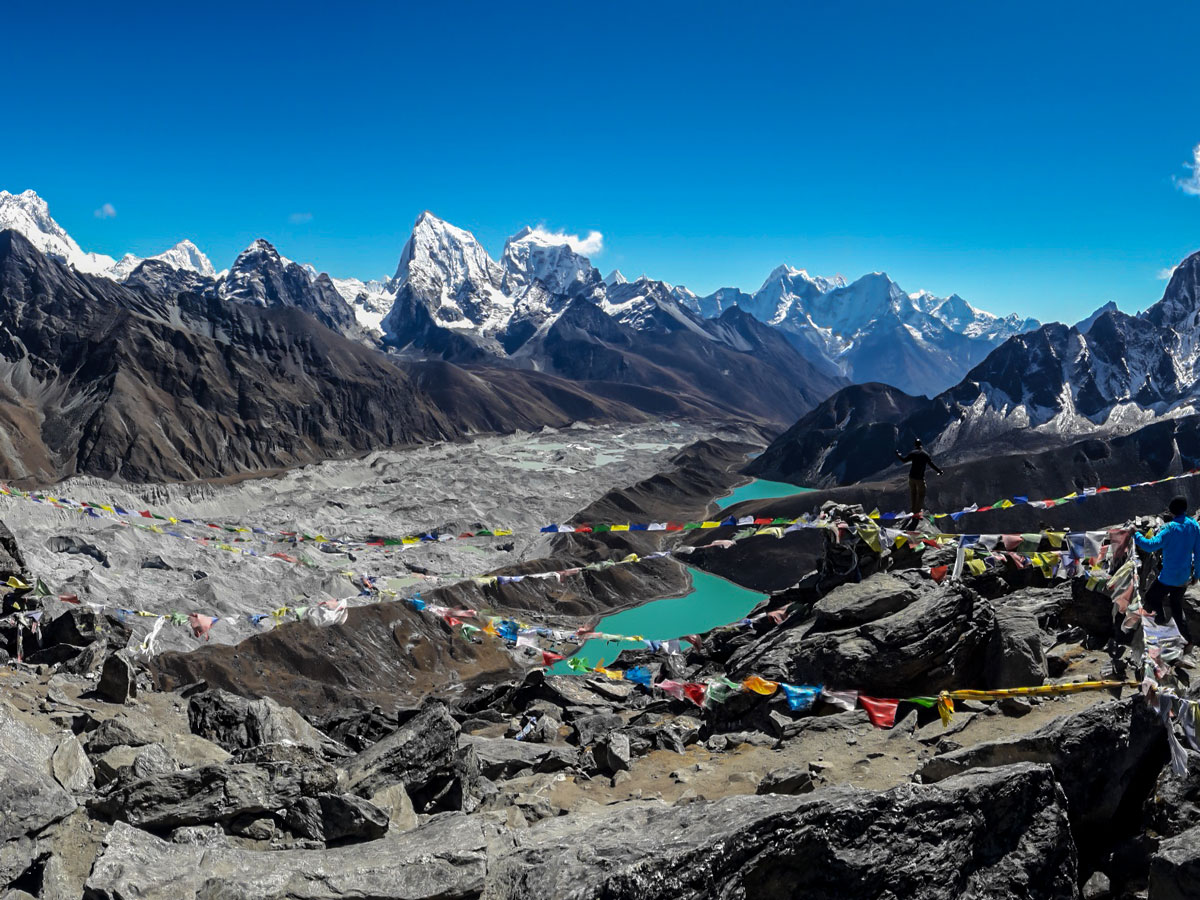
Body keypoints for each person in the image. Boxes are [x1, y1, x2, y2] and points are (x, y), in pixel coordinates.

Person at [1134, 495, 1200, 667]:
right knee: (1176, 606)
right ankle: (1188, 640)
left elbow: (1150, 545)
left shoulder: (1169, 528)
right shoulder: (1194, 526)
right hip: (1184, 576)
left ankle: (1162, 623)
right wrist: (1197, 575)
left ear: (1171, 511)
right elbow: (1198, 553)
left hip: (1168, 576)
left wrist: (1135, 535)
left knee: (1151, 597)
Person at [895, 438, 943, 514]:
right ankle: (917, 511)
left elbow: (903, 460)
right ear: (921, 445)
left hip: (911, 477)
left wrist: (898, 455)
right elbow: (931, 465)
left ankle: (913, 510)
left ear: (915, 445)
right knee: (921, 494)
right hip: (920, 478)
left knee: (913, 493)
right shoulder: (925, 455)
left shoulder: (913, 453)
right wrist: (939, 471)